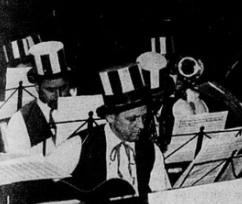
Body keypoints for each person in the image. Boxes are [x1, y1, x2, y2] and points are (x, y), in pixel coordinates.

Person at [47, 62, 171, 195]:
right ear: (110, 117)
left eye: (144, 117)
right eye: (132, 119)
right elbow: (43, 184)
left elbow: (163, 197)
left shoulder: (151, 149)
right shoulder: (79, 145)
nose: (141, 125)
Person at [6, 41, 76, 156]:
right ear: (37, 87)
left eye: (63, 88)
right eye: (50, 90)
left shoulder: (80, 108)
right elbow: (19, 161)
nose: (59, 95)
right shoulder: (20, 120)